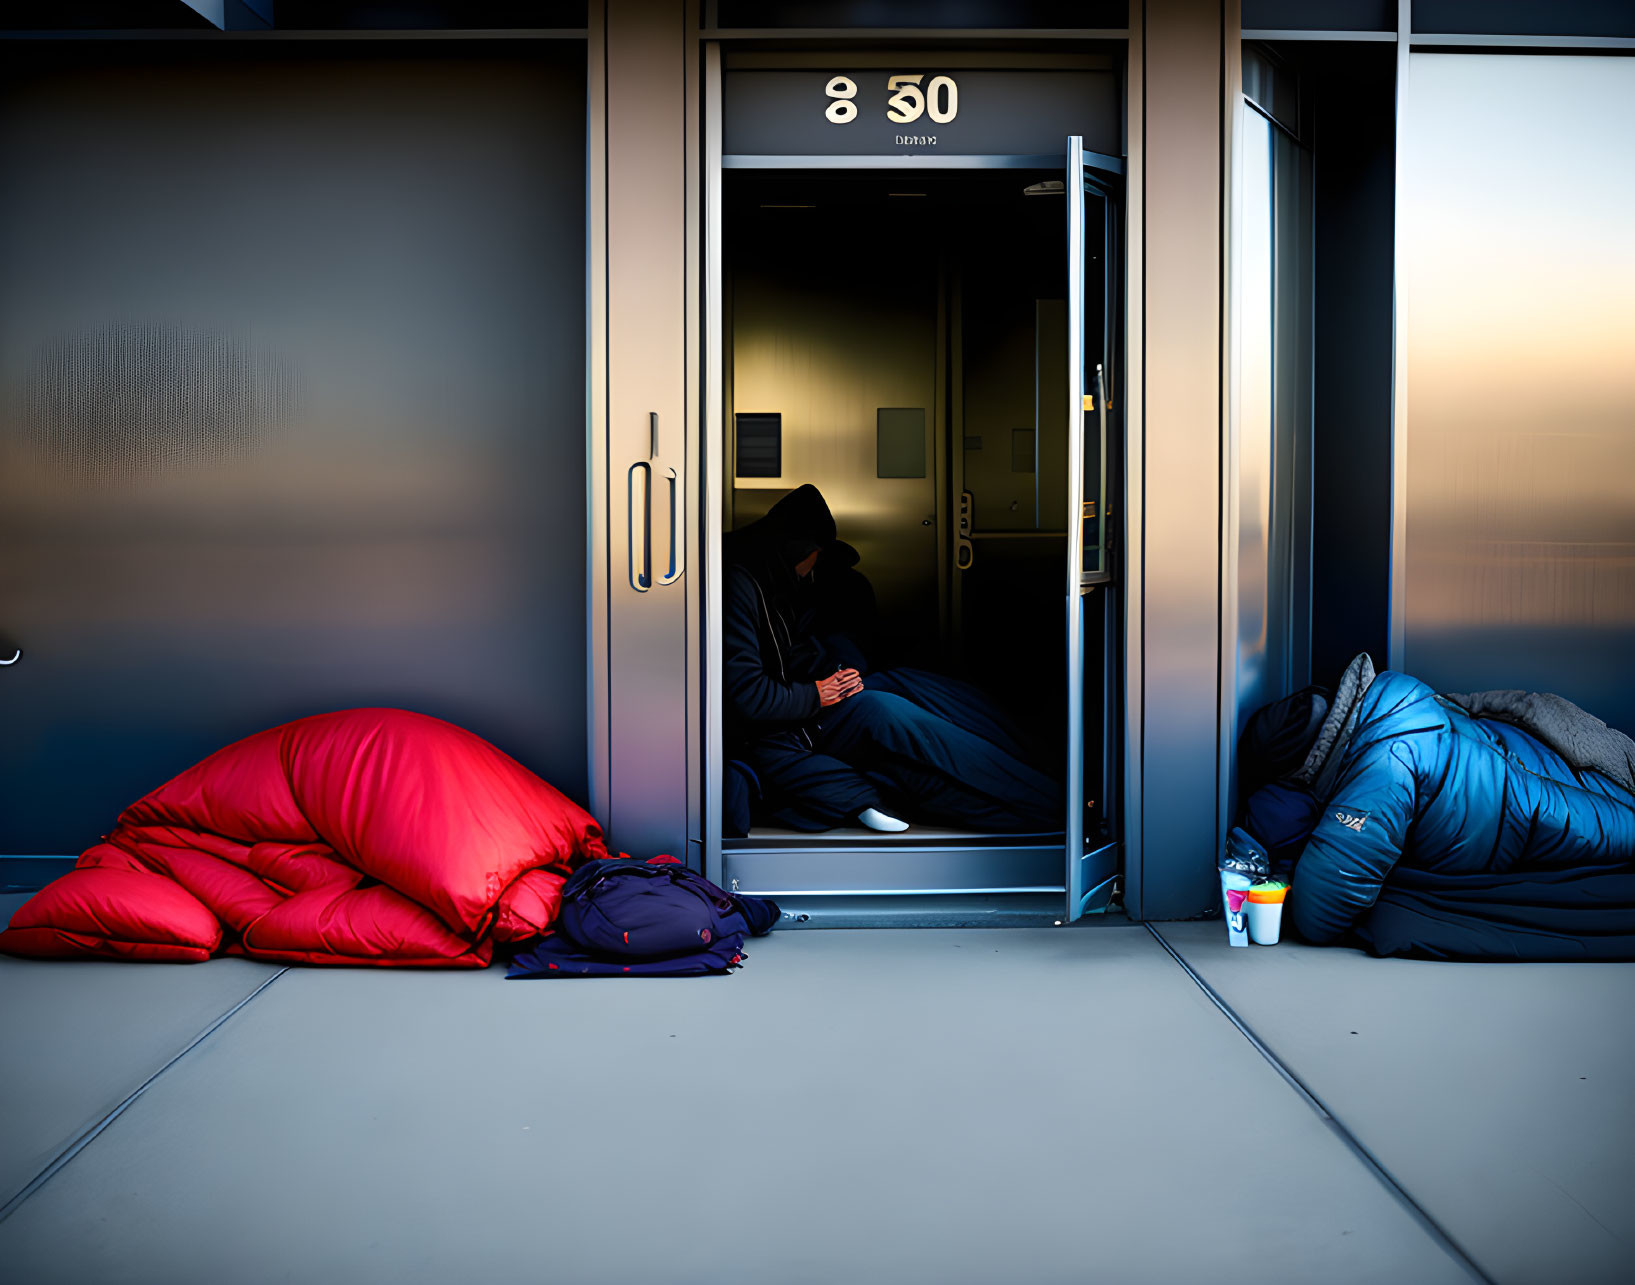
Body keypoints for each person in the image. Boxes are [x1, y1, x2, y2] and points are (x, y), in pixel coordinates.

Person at [1235, 653, 1635, 960]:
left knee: (1611, 829)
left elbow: (1320, 915)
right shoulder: (1391, 694)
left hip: (1527, 815)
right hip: (1522, 771)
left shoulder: (1383, 767)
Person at [723, 484, 1062, 836]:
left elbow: (785, 656)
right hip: (789, 729)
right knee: (893, 715)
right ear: (797, 548)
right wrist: (816, 693)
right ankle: (1042, 801)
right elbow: (747, 696)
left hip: (806, 705)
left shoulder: (774, 582)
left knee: (915, 685)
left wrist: (831, 674)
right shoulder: (742, 587)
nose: (813, 569)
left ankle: (1041, 763)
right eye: (815, 556)